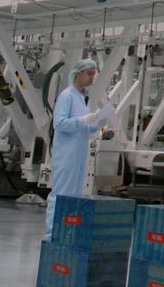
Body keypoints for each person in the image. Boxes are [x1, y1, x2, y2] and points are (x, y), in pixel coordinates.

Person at [45, 58, 115, 239]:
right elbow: (59, 124)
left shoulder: (82, 98)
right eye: (89, 74)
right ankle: (52, 233)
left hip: (79, 155)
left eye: (94, 74)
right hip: (66, 155)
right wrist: (83, 120)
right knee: (61, 195)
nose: (93, 78)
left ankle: (66, 232)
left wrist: (99, 122)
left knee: (74, 197)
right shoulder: (67, 96)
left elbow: (84, 128)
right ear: (78, 73)